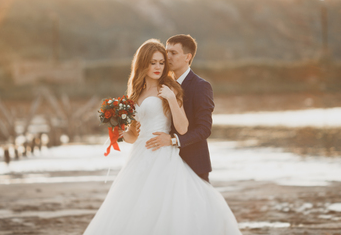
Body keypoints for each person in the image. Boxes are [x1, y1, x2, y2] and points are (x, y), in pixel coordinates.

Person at [83, 39, 242, 235]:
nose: (158, 66)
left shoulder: (171, 88)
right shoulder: (135, 93)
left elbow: (183, 128)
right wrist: (120, 133)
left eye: (161, 62)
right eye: (153, 62)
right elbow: (134, 134)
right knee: (134, 206)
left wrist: (171, 99)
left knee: (165, 207)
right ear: (143, 64)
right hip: (139, 155)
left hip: (163, 154)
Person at [145, 34, 213, 182]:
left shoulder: (201, 86)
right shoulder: (162, 83)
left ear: (187, 57)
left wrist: (172, 140)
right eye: (166, 52)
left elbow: (204, 129)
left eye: (173, 53)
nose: (168, 57)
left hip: (194, 163)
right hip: (164, 161)